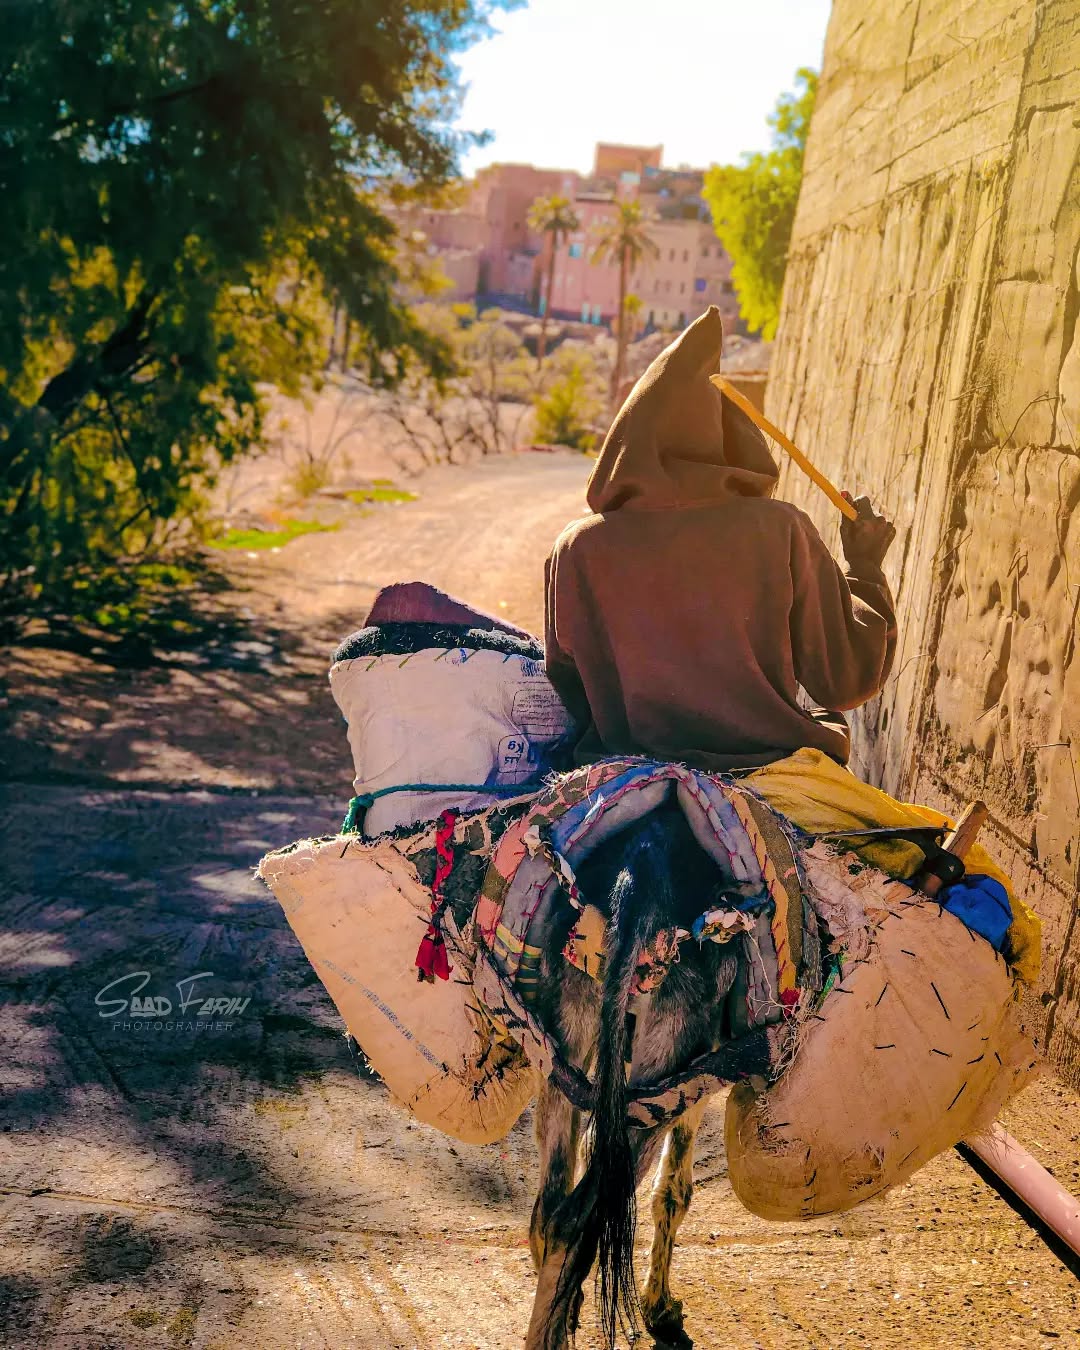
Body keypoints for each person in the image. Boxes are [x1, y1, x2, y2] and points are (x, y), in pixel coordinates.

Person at [544, 306, 897, 771]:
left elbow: (570, 689)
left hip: (625, 774)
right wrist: (865, 567)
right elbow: (845, 680)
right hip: (769, 768)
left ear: (626, 438)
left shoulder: (577, 547)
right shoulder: (779, 528)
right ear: (731, 436)